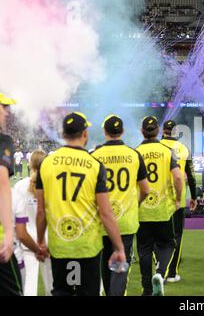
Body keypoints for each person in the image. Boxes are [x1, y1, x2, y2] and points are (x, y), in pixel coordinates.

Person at [36, 112, 126, 296]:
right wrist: (119, 247)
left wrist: (40, 242)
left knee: (62, 292)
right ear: (85, 134)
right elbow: (106, 213)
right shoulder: (94, 165)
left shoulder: (46, 163)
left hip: (60, 244)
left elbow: (41, 211)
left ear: (63, 134)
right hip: (87, 246)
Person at [91, 115, 149, 296]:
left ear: (104, 132)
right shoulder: (134, 155)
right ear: (122, 131)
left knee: (105, 262)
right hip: (125, 220)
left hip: (101, 220)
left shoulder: (93, 156)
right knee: (120, 264)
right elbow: (146, 190)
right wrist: (135, 204)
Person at [136, 116, 183, 296]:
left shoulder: (136, 152)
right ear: (157, 131)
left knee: (144, 250)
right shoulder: (167, 150)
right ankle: (160, 273)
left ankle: (147, 289)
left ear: (142, 131)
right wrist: (178, 199)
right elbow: (178, 177)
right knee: (168, 244)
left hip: (141, 209)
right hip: (163, 209)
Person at [160, 120, 197, 283]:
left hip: (157, 200)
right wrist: (194, 196)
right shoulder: (184, 149)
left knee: (157, 235)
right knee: (177, 236)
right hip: (178, 199)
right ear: (176, 131)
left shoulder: (155, 147)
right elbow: (192, 176)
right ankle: (172, 272)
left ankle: (160, 267)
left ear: (163, 130)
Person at [13, 150, 53, 296]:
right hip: (49, 242)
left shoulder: (19, 186)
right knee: (53, 288)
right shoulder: (52, 184)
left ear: (29, 164)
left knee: (28, 288)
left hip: (27, 242)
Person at [0, 94, 22, 296]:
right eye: (3, 107)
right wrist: (8, 231)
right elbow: (2, 182)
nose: (7, 112)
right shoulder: (3, 140)